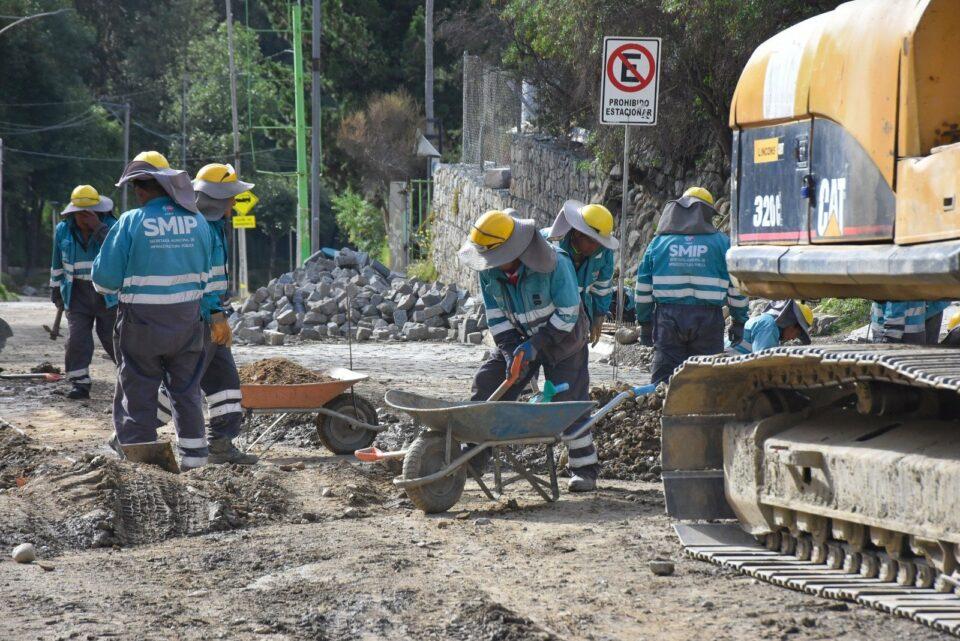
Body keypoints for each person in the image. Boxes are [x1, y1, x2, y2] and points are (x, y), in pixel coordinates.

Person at [92, 150, 215, 471]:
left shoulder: (132, 221)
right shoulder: (198, 221)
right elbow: (209, 275)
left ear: (141, 189)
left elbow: (104, 279)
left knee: (138, 388)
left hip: (141, 323)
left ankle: (142, 462)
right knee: (186, 392)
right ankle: (195, 459)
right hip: (188, 322)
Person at [459, 209, 598, 491]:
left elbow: (569, 313)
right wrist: (512, 351)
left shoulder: (556, 263)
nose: (492, 264)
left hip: (564, 338)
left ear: (515, 248)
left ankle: (584, 469)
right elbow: (495, 316)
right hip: (519, 337)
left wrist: (536, 345)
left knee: (568, 398)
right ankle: (472, 458)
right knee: (487, 382)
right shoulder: (489, 272)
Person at [156, 163, 256, 465]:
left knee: (224, 380)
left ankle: (221, 445)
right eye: (230, 198)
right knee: (181, 381)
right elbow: (203, 280)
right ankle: (133, 433)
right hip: (200, 318)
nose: (234, 203)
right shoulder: (199, 228)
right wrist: (215, 316)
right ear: (217, 199)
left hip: (212, 315)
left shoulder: (212, 227)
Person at [634, 187, 748, 384]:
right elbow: (737, 287)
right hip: (708, 320)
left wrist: (644, 322)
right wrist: (738, 321)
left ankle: (660, 410)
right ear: (708, 213)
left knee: (664, 380)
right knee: (706, 378)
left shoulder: (659, 243)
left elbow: (643, 286)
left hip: (668, 319)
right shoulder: (723, 244)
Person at [50, 185, 118, 399]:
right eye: (80, 214)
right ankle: (79, 383)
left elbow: (118, 252)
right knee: (78, 338)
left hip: (108, 293)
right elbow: (56, 262)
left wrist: (98, 228)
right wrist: (55, 288)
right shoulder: (63, 229)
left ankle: (133, 379)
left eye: (89, 213)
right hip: (76, 292)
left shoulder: (112, 227)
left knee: (111, 337)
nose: (84, 218)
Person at [543, 201, 617, 346]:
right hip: (546, 314)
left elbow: (602, 286)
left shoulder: (604, 251)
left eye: (600, 242)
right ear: (577, 233)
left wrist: (598, 316)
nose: (596, 247)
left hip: (578, 314)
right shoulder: (548, 244)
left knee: (574, 365)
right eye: (592, 241)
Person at [727, 300, 813, 354]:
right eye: (797, 333)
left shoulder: (768, 323)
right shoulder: (769, 327)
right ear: (790, 323)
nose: (793, 338)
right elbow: (762, 362)